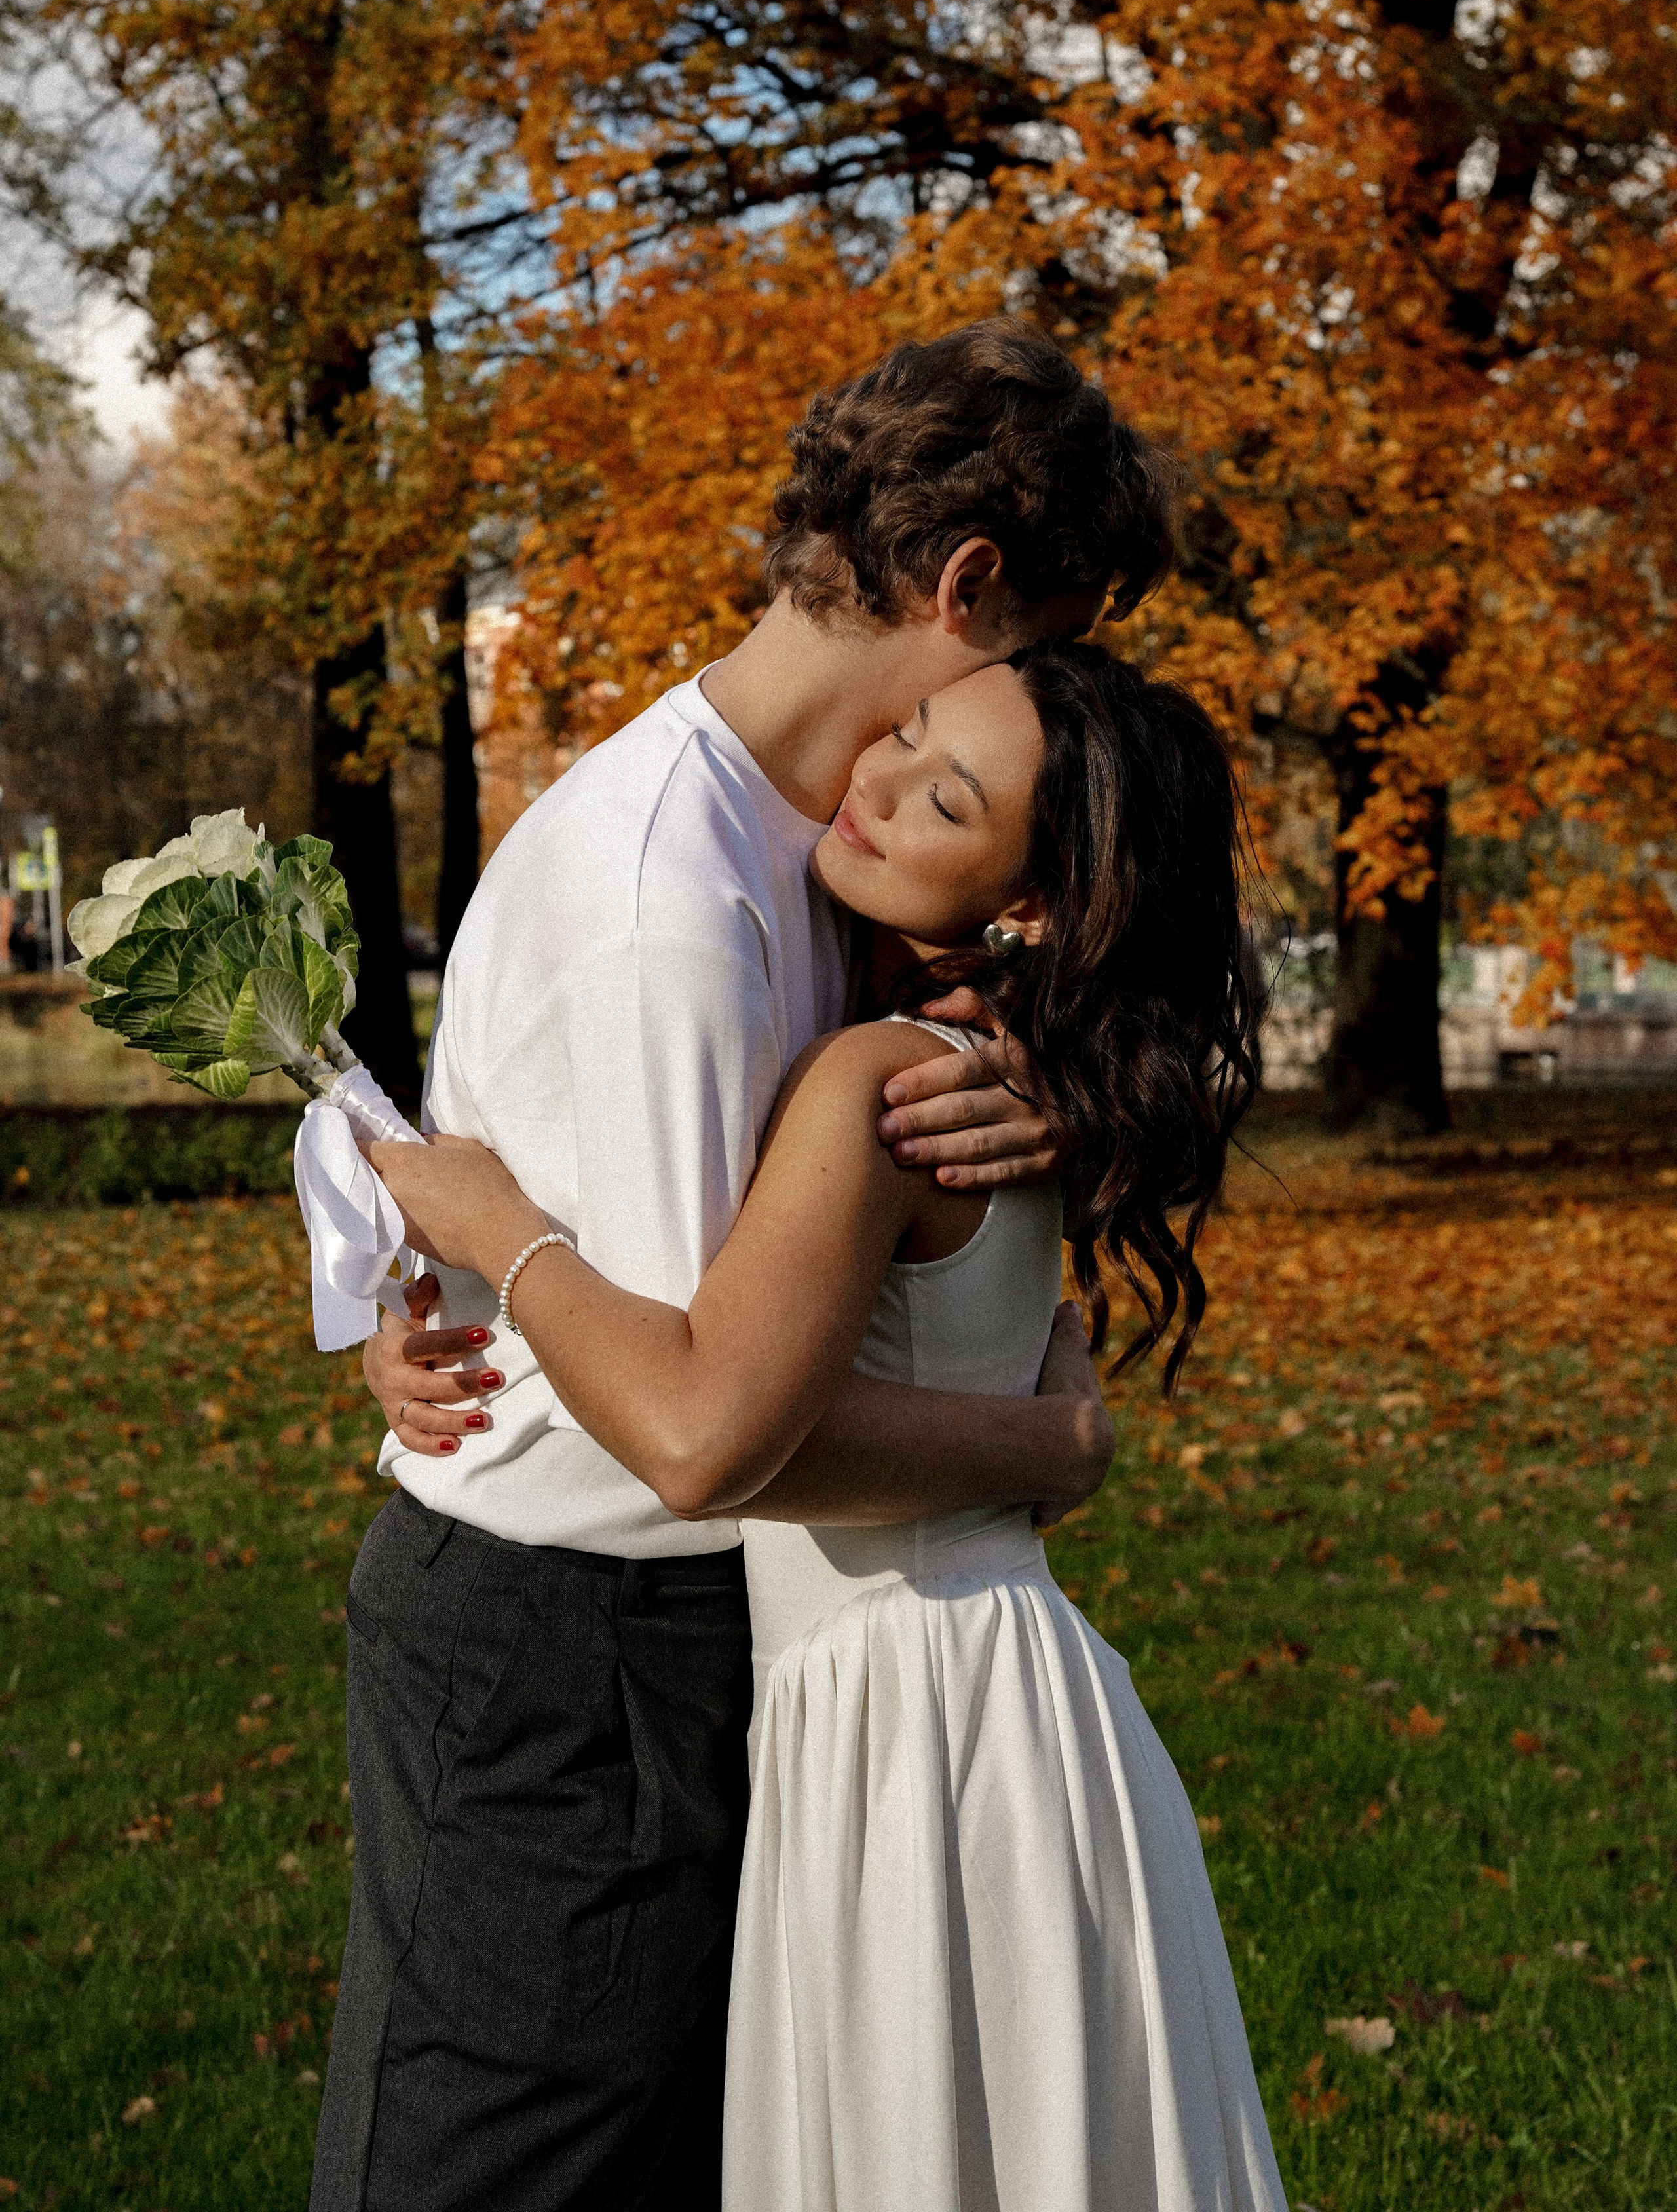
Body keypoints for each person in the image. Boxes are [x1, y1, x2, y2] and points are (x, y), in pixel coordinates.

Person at [310, 318, 1173, 2212]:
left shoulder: (824, 852)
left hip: (738, 1644)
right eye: (1046, 641)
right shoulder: (671, 898)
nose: (1040, 699)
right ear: (967, 588)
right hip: (565, 1650)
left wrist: (1030, 1040)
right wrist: (1047, 1447)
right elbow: (696, 1430)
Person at [367, 641, 1285, 2212]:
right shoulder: (985, 1069)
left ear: (1027, 907)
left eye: (946, 800)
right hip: (974, 1682)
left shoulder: (882, 1082)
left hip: (907, 1715)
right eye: (905, 732)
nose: (876, 783)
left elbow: (703, 1428)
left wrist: (500, 1234)